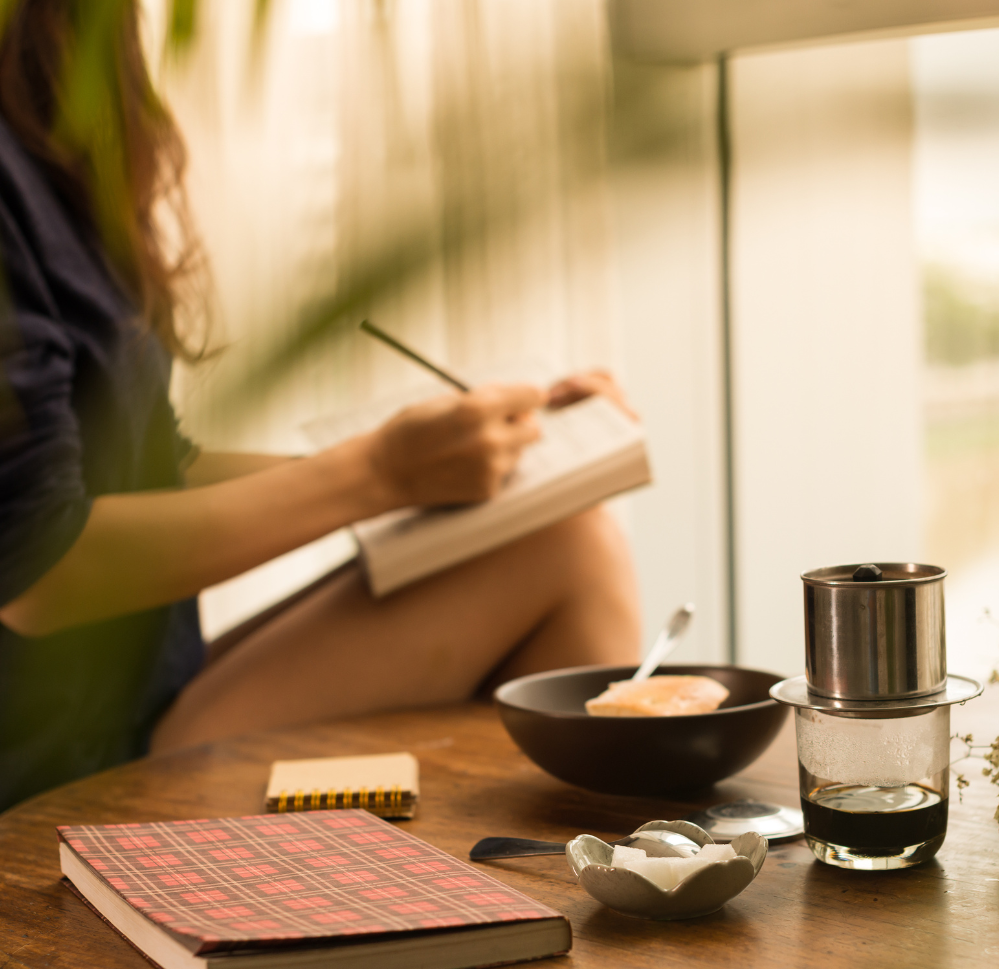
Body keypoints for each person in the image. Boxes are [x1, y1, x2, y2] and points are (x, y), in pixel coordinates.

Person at [0, 0, 640, 812]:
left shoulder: (55, 122)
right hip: (49, 762)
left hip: (132, 701)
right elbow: (40, 567)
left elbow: (151, 466)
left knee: (552, 531)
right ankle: (594, 890)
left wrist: (451, 457)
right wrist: (378, 473)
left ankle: (548, 889)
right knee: (569, 553)